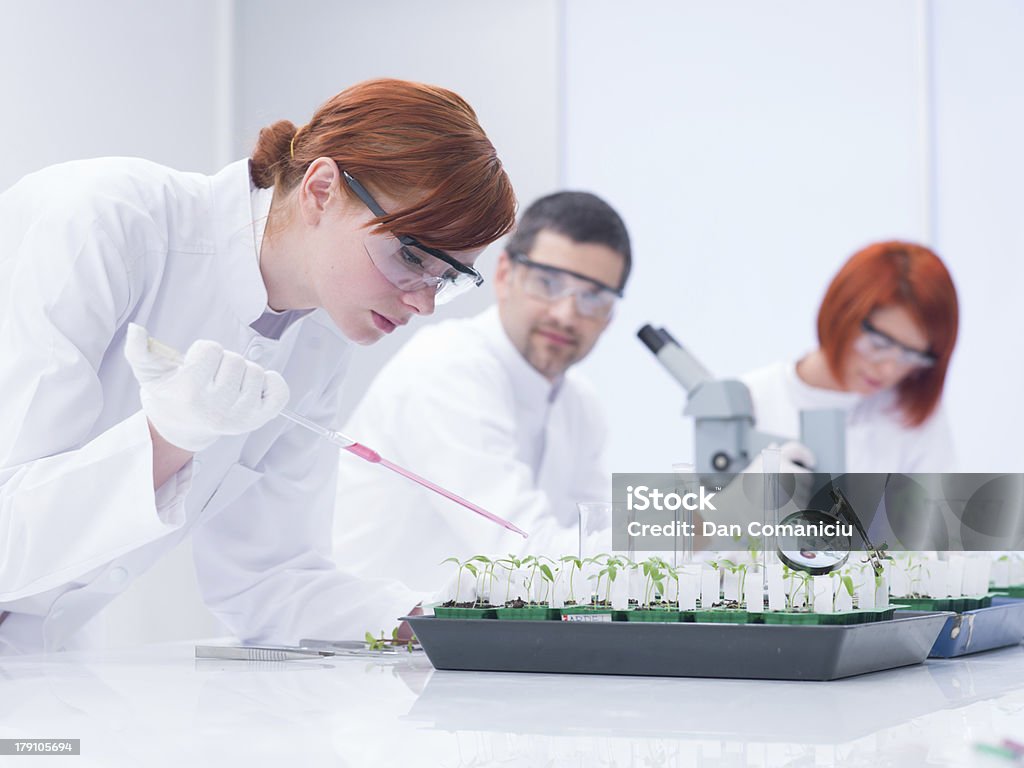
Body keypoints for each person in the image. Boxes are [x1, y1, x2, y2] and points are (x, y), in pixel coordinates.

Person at [0, 78, 517, 655]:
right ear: (321, 190)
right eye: (412, 256)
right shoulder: (103, 220)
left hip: (38, 658)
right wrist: (168, 437)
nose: (422, 303)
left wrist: (448, 625)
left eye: (447, 279)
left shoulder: (318, 334)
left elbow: (268, 577)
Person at [333, 192, 631, 596]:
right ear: (505, 274)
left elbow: (594, 541)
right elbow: (530, 560)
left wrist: (706, 516)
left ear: (610, 315)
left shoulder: (579, 403)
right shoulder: (447, 367)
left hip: (460, 651)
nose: (566, 313)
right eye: (548, 283)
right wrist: (700, 518)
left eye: (593, 297)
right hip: (368, 647)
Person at [741, 240, 959, 472]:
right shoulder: (751, 400)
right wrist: (738, 506)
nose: (889, 369)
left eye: (912, 357)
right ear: (842, 314)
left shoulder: (912, 413)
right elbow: (704, 502)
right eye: (879, 343)